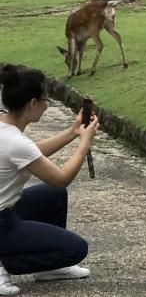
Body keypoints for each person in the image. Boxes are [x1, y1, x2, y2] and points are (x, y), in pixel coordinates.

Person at [0, 63, 97, 293]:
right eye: (46, 100)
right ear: (33, 104)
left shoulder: (7, 128)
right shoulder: (15, 142)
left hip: (7, 211)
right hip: (2, 224)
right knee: (75, 249)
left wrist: (73, 133)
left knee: (52, 195)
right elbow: (61, 177)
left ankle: (51, 269)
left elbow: (32, 153)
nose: (46, 105)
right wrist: (85, 143)